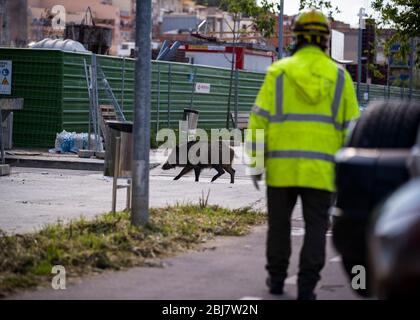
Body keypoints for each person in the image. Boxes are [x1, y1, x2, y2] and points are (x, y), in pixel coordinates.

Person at [245, 8, 360, 300]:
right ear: (325, 41)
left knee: (279, 227)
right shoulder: (340, 78)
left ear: (295, 37)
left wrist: (256, 165)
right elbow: (352, 130)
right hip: (322, 172)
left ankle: (276, 280)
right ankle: (307, 286)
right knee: (316, 229)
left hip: (281, 169)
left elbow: (259, 119)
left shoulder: (278, 72)